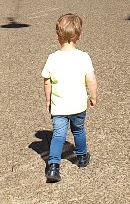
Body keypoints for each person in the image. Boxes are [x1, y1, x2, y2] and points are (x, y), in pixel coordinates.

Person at [41, 13, 97, 183]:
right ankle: (81, 157)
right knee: (78, 130)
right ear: (79, 36)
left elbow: (47, 82)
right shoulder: (83, 57)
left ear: (57, 35)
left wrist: (48, 100)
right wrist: (93, 96)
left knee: (58, 134)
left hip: (59, 106)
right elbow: (91, 80)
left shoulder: (53, 58)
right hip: (78, 105)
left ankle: (53, 165)